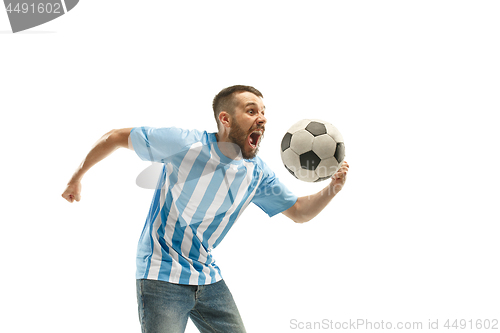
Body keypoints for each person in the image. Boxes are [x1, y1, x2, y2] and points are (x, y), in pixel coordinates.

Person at [61, 85, 349, 333]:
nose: (261, 118)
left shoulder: (257, 173)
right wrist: (76, 177)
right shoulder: (186, 144)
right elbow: (115, 137)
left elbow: (299, 211)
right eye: (251, 111)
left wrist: (334, 186)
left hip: (208, 278)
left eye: (263, 112)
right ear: (225, 119)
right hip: (161, 275)